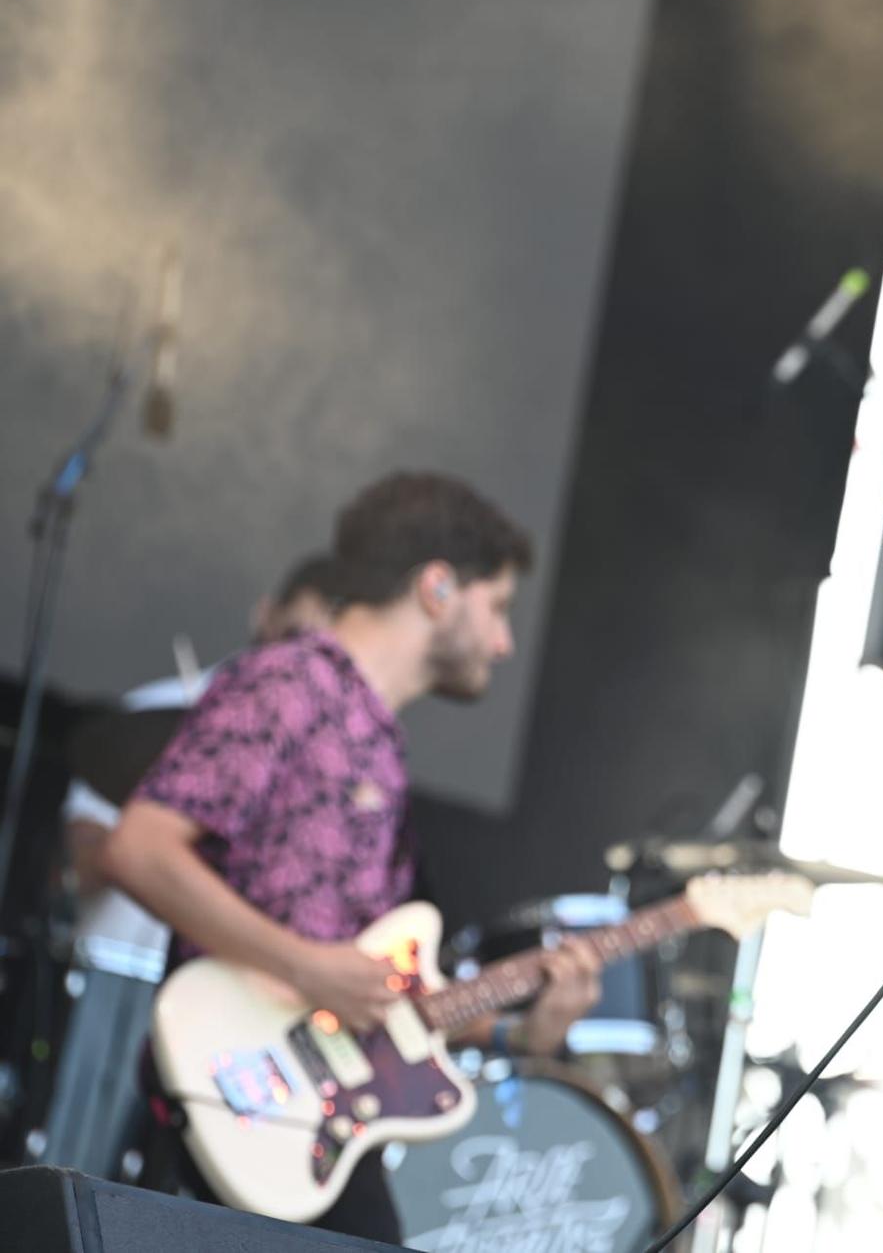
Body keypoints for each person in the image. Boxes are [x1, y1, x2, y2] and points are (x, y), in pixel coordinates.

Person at [104, 472, 602, 1245]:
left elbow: (378, 991)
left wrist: (517, 1035)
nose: (504, 642)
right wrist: (306, 965)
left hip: (317, 1115)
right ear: (437, 587)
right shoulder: (290, 683)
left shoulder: (377, 742)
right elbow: (138, 847)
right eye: (497, 606)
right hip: (243, 1088)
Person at [41, 555, 341, 1180]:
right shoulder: (160, 713)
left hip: (235, 1008)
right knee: (76, 1178)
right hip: (124, 976)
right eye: (293, 639)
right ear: (265, 614)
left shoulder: (325, 767)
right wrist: (166, 818)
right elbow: (83, 863)